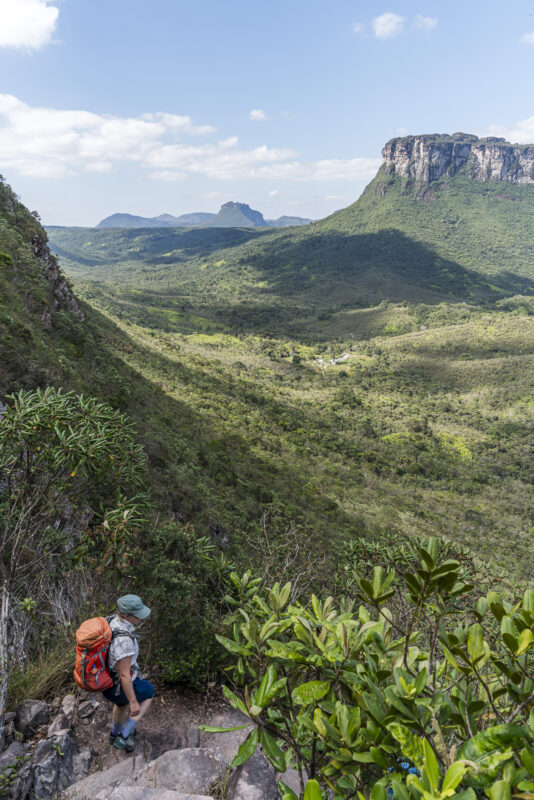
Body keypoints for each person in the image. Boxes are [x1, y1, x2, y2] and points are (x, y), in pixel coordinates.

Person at [102, 594, 154, 752]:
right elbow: (124, 675)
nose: (140, 617)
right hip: (118, 684)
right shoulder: (124, 641)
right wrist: (133, 702)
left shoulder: (111, 621)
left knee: (120, 704)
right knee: (149, 692)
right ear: (127, 615)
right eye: (137, 615)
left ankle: (114, 733)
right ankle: (124, 735)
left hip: (107, 681)